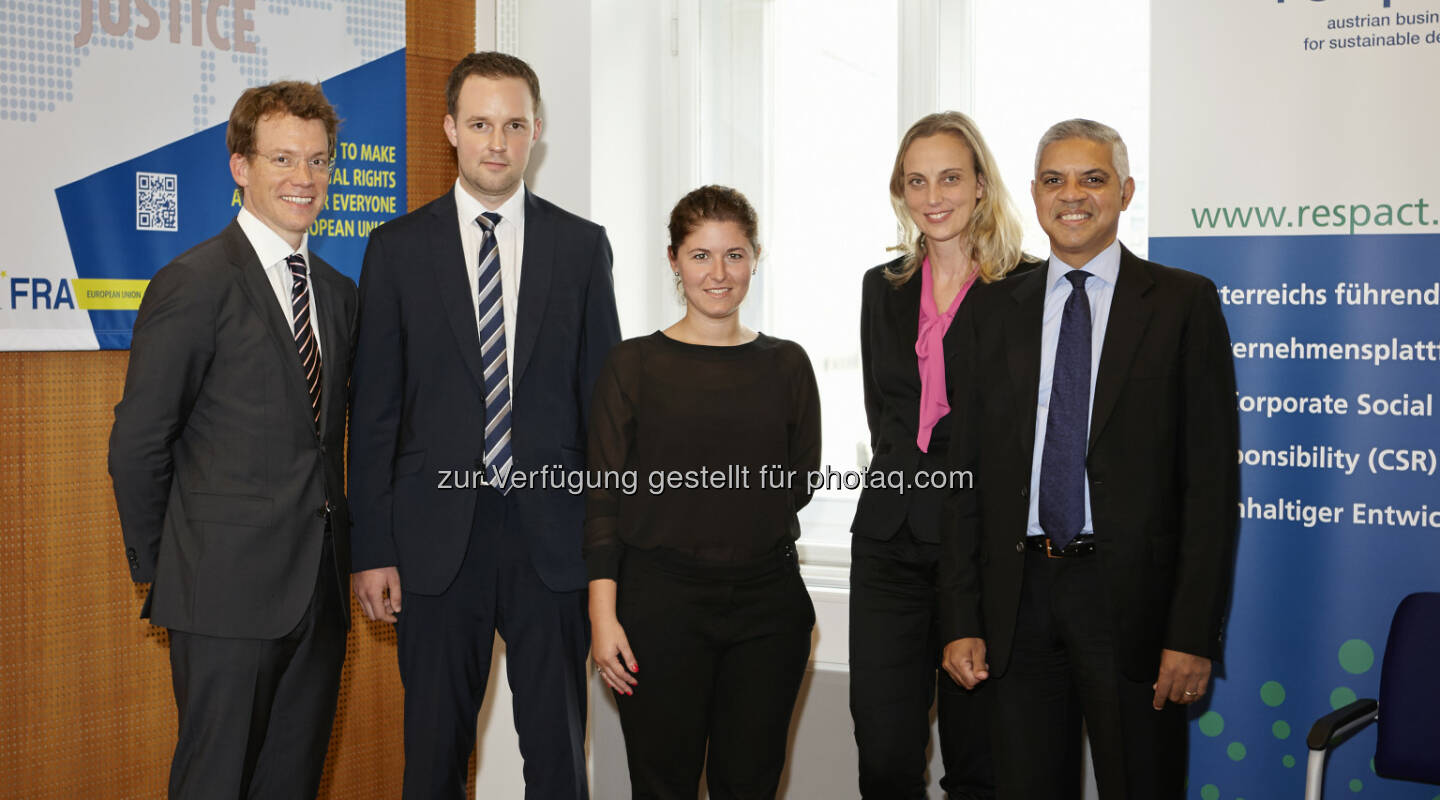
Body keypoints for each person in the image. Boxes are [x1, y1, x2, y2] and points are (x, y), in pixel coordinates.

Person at [347, 51, 621, 799]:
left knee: (560, 763)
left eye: (513, 124)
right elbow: (374, 413)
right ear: (450, 130)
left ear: (537, 132)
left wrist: (607, 556)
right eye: (479, 123)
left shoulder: (581, 247)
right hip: (432, 546)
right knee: (432, 763)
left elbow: (606, 413)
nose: (496, 142)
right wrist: (370, 548)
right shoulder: (396, 250)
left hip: (553, 545)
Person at [939, 119, 1240, 798]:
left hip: (1129, 602)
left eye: (1091, 178)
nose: (1071, 194)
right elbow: (967, 480)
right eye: (1054, 179)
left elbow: (1211, 486)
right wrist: (960, 621)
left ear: (1126, 191)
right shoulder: (993, 310)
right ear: (1035, 195)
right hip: (1018, 604)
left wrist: (1191, 635)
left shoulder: (1182, 303)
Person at [108, 81, 356, 799]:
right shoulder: (193, 283)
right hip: (219, 597)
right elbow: (139, 444)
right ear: (240, 166)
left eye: (317, 161)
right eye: (282, 159)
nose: (302, 179)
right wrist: (174, 571)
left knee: (292, 784)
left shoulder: (338, 292)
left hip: (318, 595)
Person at [585, 185, 820, 800]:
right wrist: (603, 615)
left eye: (735, 255)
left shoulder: (788, 365)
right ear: (673, 260)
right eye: (700, 256)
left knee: (750, 785)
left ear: (756, 257)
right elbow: (603, 502)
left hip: (769, 609)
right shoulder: (630, 366)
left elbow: (799, 481)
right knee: (663, 787)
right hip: (659, 606)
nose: (719, 273)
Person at [849, 111, 1030, 799]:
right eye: (916, 181)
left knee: (980, 761)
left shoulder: (1026, 289)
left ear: (981, 184)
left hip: (984, 553)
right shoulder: (883, 286)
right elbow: (884, 414)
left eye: (950, 177)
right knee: (886, 756)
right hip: (889, 545)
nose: (934, 196)